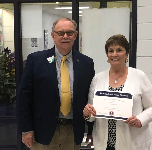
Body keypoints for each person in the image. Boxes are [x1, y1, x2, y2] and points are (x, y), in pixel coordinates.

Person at [18, 17, 95, 150]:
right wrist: (26, 130)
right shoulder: (35, 61)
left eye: (70, 33)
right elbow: (24, 98)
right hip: (42, 132)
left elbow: (91, 98)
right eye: (60, 33)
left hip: (73, 131)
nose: (65, 36)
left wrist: (91, 131)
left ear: (75, 35)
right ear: (53, 35)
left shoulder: (86, 63)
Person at [83, 34, 152, 150]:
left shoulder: (139, 76)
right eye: (110, 51)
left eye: (119, 50)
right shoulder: (98, 79)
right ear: (107, 55)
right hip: (104, 143)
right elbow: (93, 113)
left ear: (127, 54)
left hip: (132, 142)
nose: (114, 54)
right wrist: (87, 114)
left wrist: (140, 120)